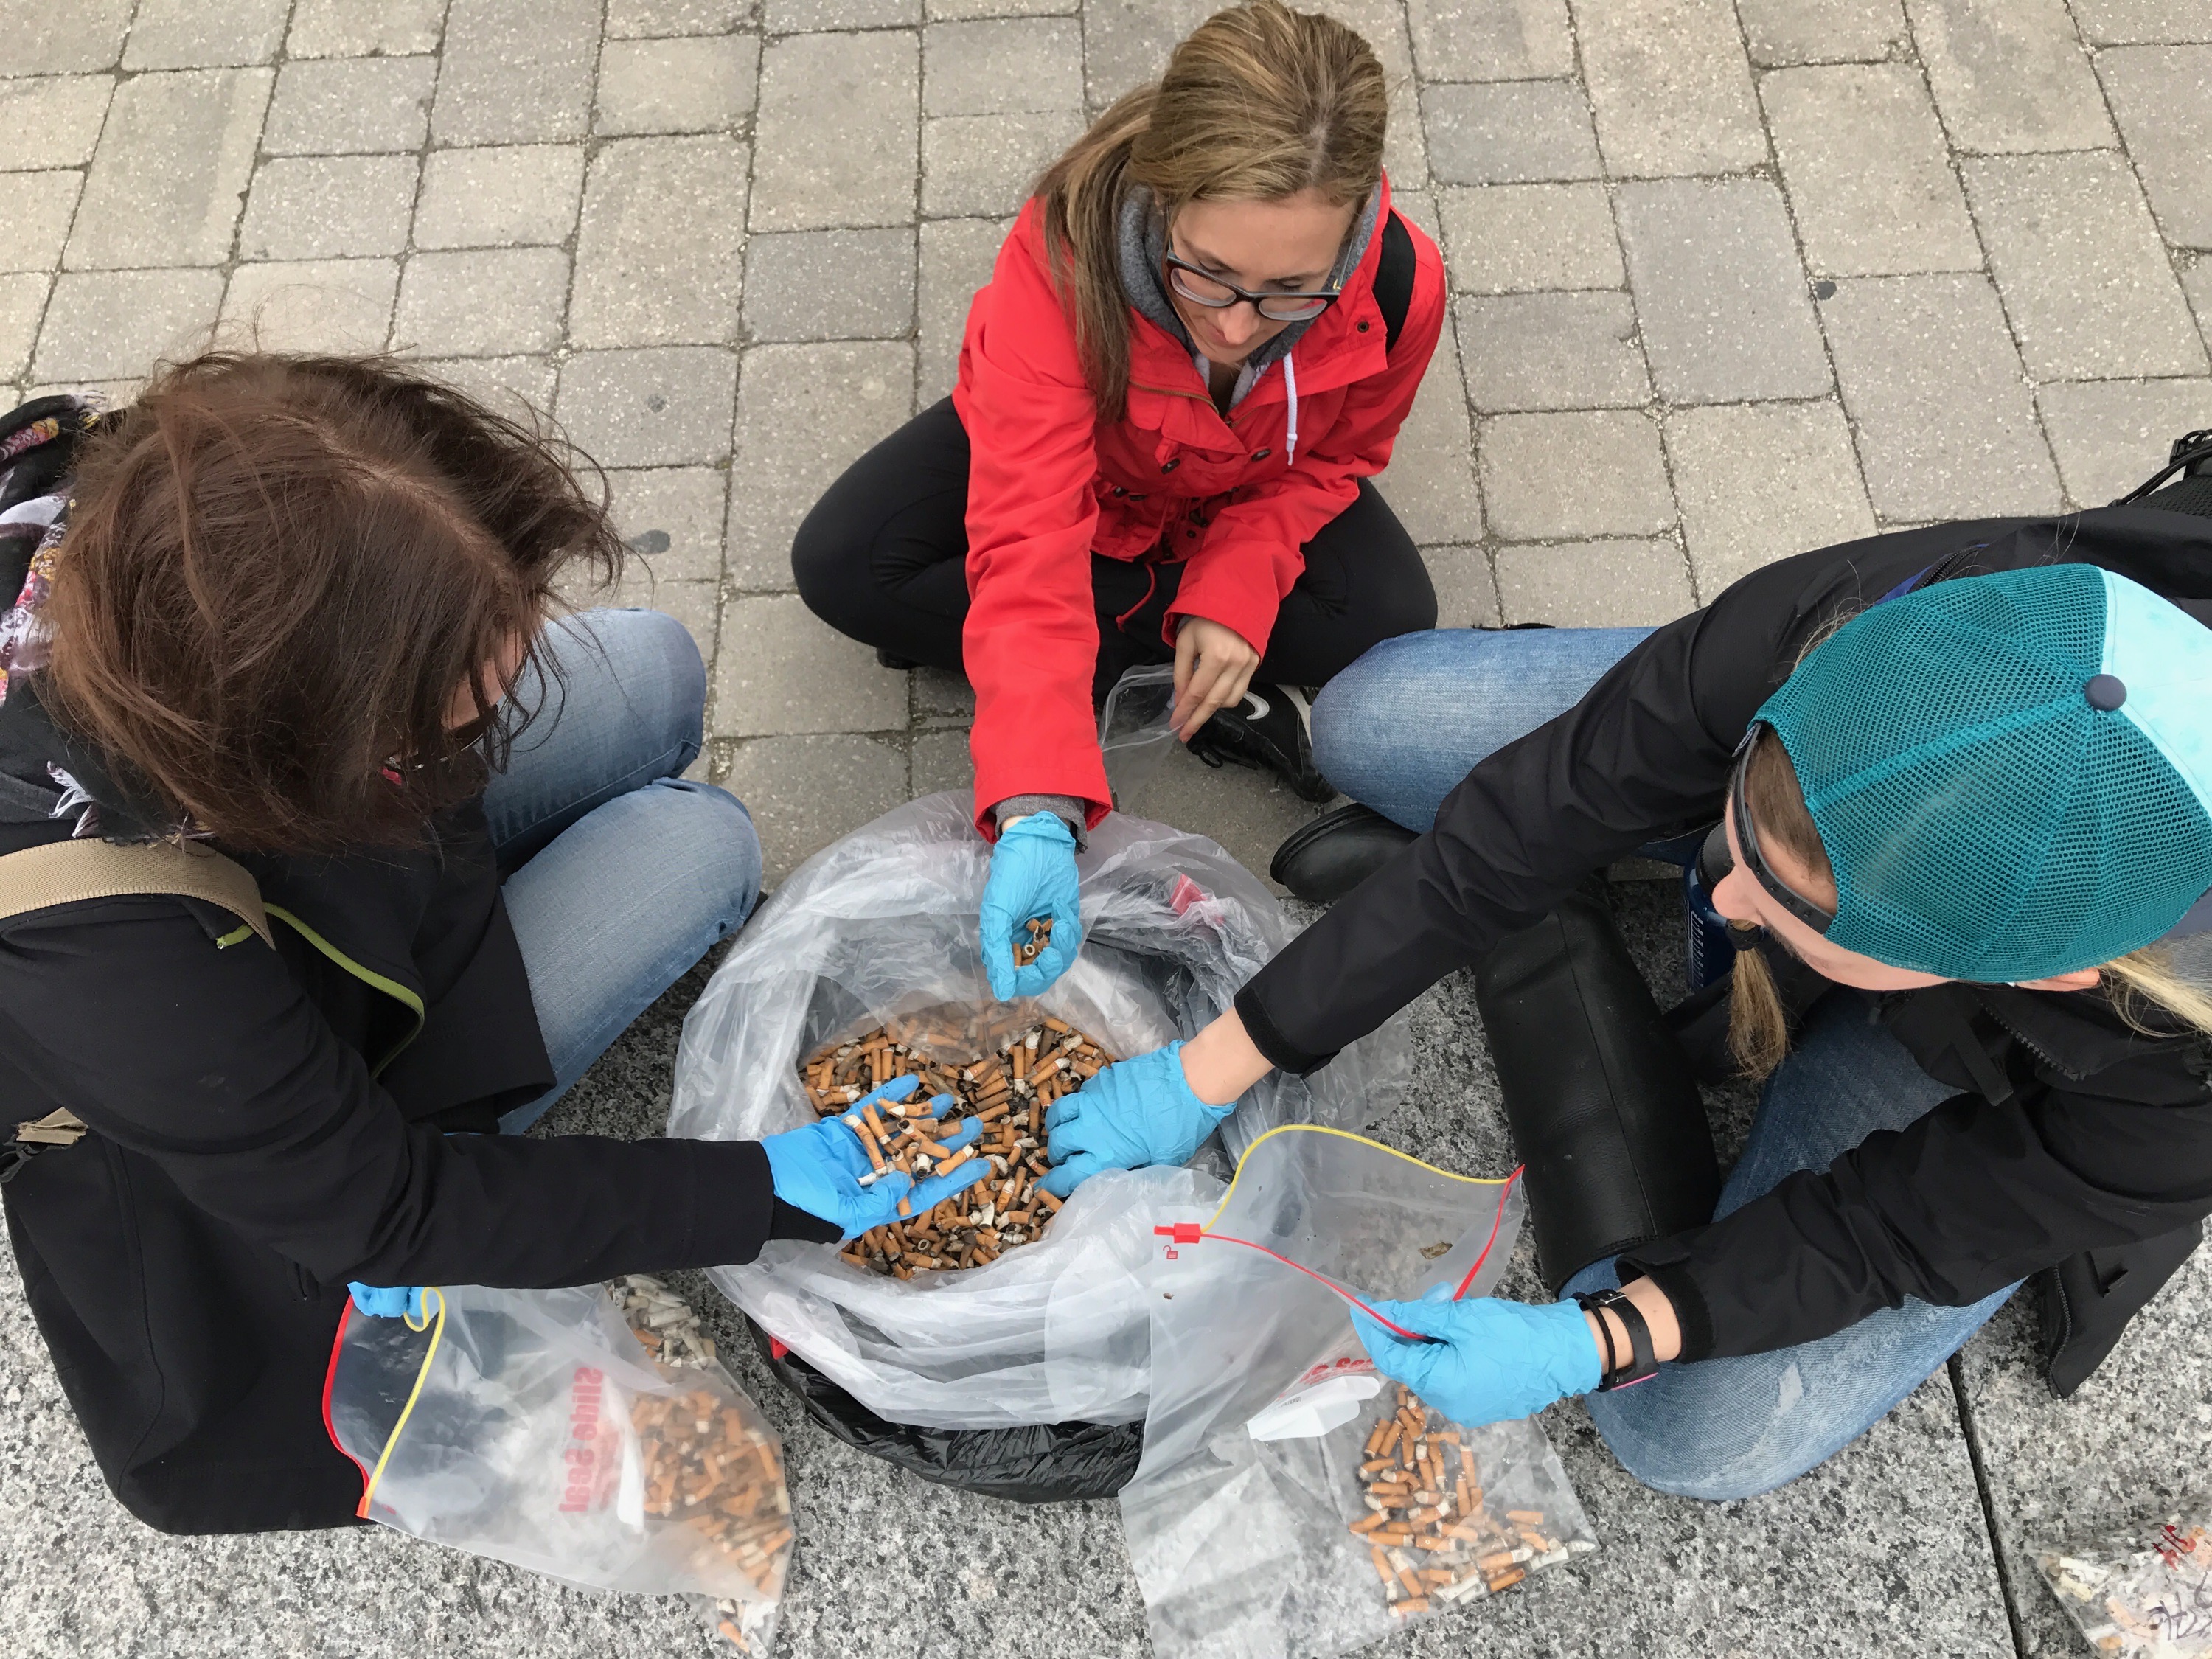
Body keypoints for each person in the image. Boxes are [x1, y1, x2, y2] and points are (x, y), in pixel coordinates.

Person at [1037, 483, 2212, 1500]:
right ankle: (1624, 890)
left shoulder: (2183, 1082)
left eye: (1793, 907)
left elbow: (1892, 1228)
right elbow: (1530, 813)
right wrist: (1217, 1060)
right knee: (1372, 722)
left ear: (2044, 969)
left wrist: (1604, 1335)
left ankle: (1555, 939)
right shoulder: (1871, 623)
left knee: (1688, 1428)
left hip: (2019, 1065)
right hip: (1895, 816)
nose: (1724, 894)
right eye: (1745, 832)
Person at [0, 357, 987, 1535]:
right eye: (445, 709)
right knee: (702, 845)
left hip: (320, 860)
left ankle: (444, 800)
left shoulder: (97, 482)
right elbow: (387, 1210)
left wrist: (445, 693)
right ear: (299, 729)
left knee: (655, 669)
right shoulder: (111, 951)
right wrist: (765, 1185)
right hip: (292, 1044)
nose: (513, 684)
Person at [790, 0, 1444, 1002]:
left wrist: (1238, 582)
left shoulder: (1399, 287)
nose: (1238, 328)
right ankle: (1200, 691)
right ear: (1162, 194)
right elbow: (1029, 531)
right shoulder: (1058, 268)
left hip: (1239, 485)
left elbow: (1339, 459)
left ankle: (1117, 664)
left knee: (1393, 618)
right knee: (842, 565)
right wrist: (1036, 806)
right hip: (1079, 471)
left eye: (1290, 290)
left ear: (1353, 229)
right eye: (1207, 273)